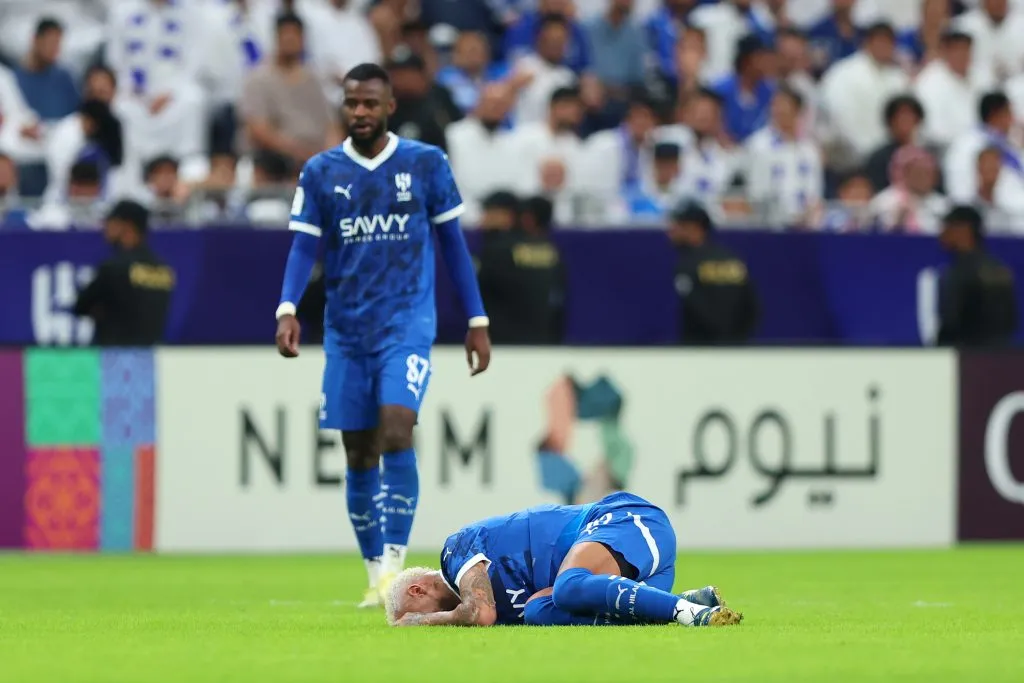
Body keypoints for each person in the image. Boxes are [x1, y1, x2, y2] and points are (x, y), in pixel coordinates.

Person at [274, 63, 491, 610]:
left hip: (406, 326)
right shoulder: (321, 172)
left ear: (390, 106)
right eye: (352, 103)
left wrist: (477, 319)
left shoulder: (425, 163)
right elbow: (304, 247)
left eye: (370, 103)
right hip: (346, 331)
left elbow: (454, 247)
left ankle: (395, 564)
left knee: (397, 428)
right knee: (357, 450)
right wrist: (287, 306)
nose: (361, 112)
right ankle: (374, 569)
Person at [384, 491, 744, 627]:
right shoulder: (511, 614)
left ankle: (690, 614)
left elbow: (480, 613)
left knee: (568, 587)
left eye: (416, 614)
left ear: (418, 590)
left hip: (627, 520)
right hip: (638, 579)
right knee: (541, 612)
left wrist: (424, 623)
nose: (424, 621)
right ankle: (673, 603)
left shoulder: (456, 551)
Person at [72, 200, 174, 346]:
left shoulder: (114, 267)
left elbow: (81, 306)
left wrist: (103, 311)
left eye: (111, 222)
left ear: (127, 226)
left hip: (113, 356)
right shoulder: (163, 270)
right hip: (148, 358)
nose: (105, 227)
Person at [478, 194, 566, 344]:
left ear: (508, 215)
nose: (483, 220)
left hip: (504, 342)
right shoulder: (550, 249)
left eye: (490, 213)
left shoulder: (499, 249)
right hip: (546, 340)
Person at [669, 201, 758, 345]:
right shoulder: (732, 259)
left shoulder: (688, 265)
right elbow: (752, 307)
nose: (671, 231)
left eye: (678, 226)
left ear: (695, 228)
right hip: (736, 346)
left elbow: (696, 308)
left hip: (700, 349)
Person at [937, 205, 1018, 347]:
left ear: (964, 230)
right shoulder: (998, 269)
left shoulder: (960, 272)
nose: (942, 233)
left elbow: (951, 321)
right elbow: (1010, 321)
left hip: (966, 355)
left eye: (948, 227)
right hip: (1002, 356)